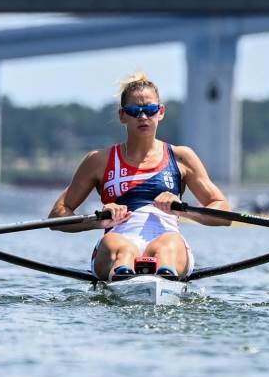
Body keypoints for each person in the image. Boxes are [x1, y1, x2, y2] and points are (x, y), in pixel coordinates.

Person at [48, 71, 231, 281]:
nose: (143, 117)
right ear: (122, 115)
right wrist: (98, 220)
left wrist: (183, 209)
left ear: (161, 112)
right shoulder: (98, 160)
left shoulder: (181, 157)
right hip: (117, 241)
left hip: (168, 242)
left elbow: (223, 211)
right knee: (122, 249)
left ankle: (158, 275)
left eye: (150, 110)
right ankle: (125, 274)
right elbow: (57, 216)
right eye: (134, 111)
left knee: (168, 246)